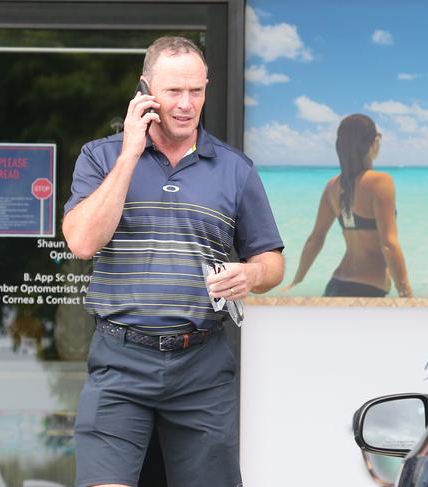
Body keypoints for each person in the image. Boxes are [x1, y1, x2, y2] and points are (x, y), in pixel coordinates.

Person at [62, 36, 284, 487]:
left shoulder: (235, 169)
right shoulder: (101, 157)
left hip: (201, 366)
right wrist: (129, 153)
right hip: (120, 360)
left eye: (196, 91)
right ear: (144, 91)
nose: (186, 105)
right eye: (173, 92)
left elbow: (272, 261)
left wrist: (251, 273)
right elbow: (82, 242)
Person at [283, 113, 412, 298]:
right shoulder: (380, 182)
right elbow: (389, 245)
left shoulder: (333, 186)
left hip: (336, 285)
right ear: (374, 141)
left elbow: (315, 239)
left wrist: (297, 279)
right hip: (369, 291)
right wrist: (405, 292)